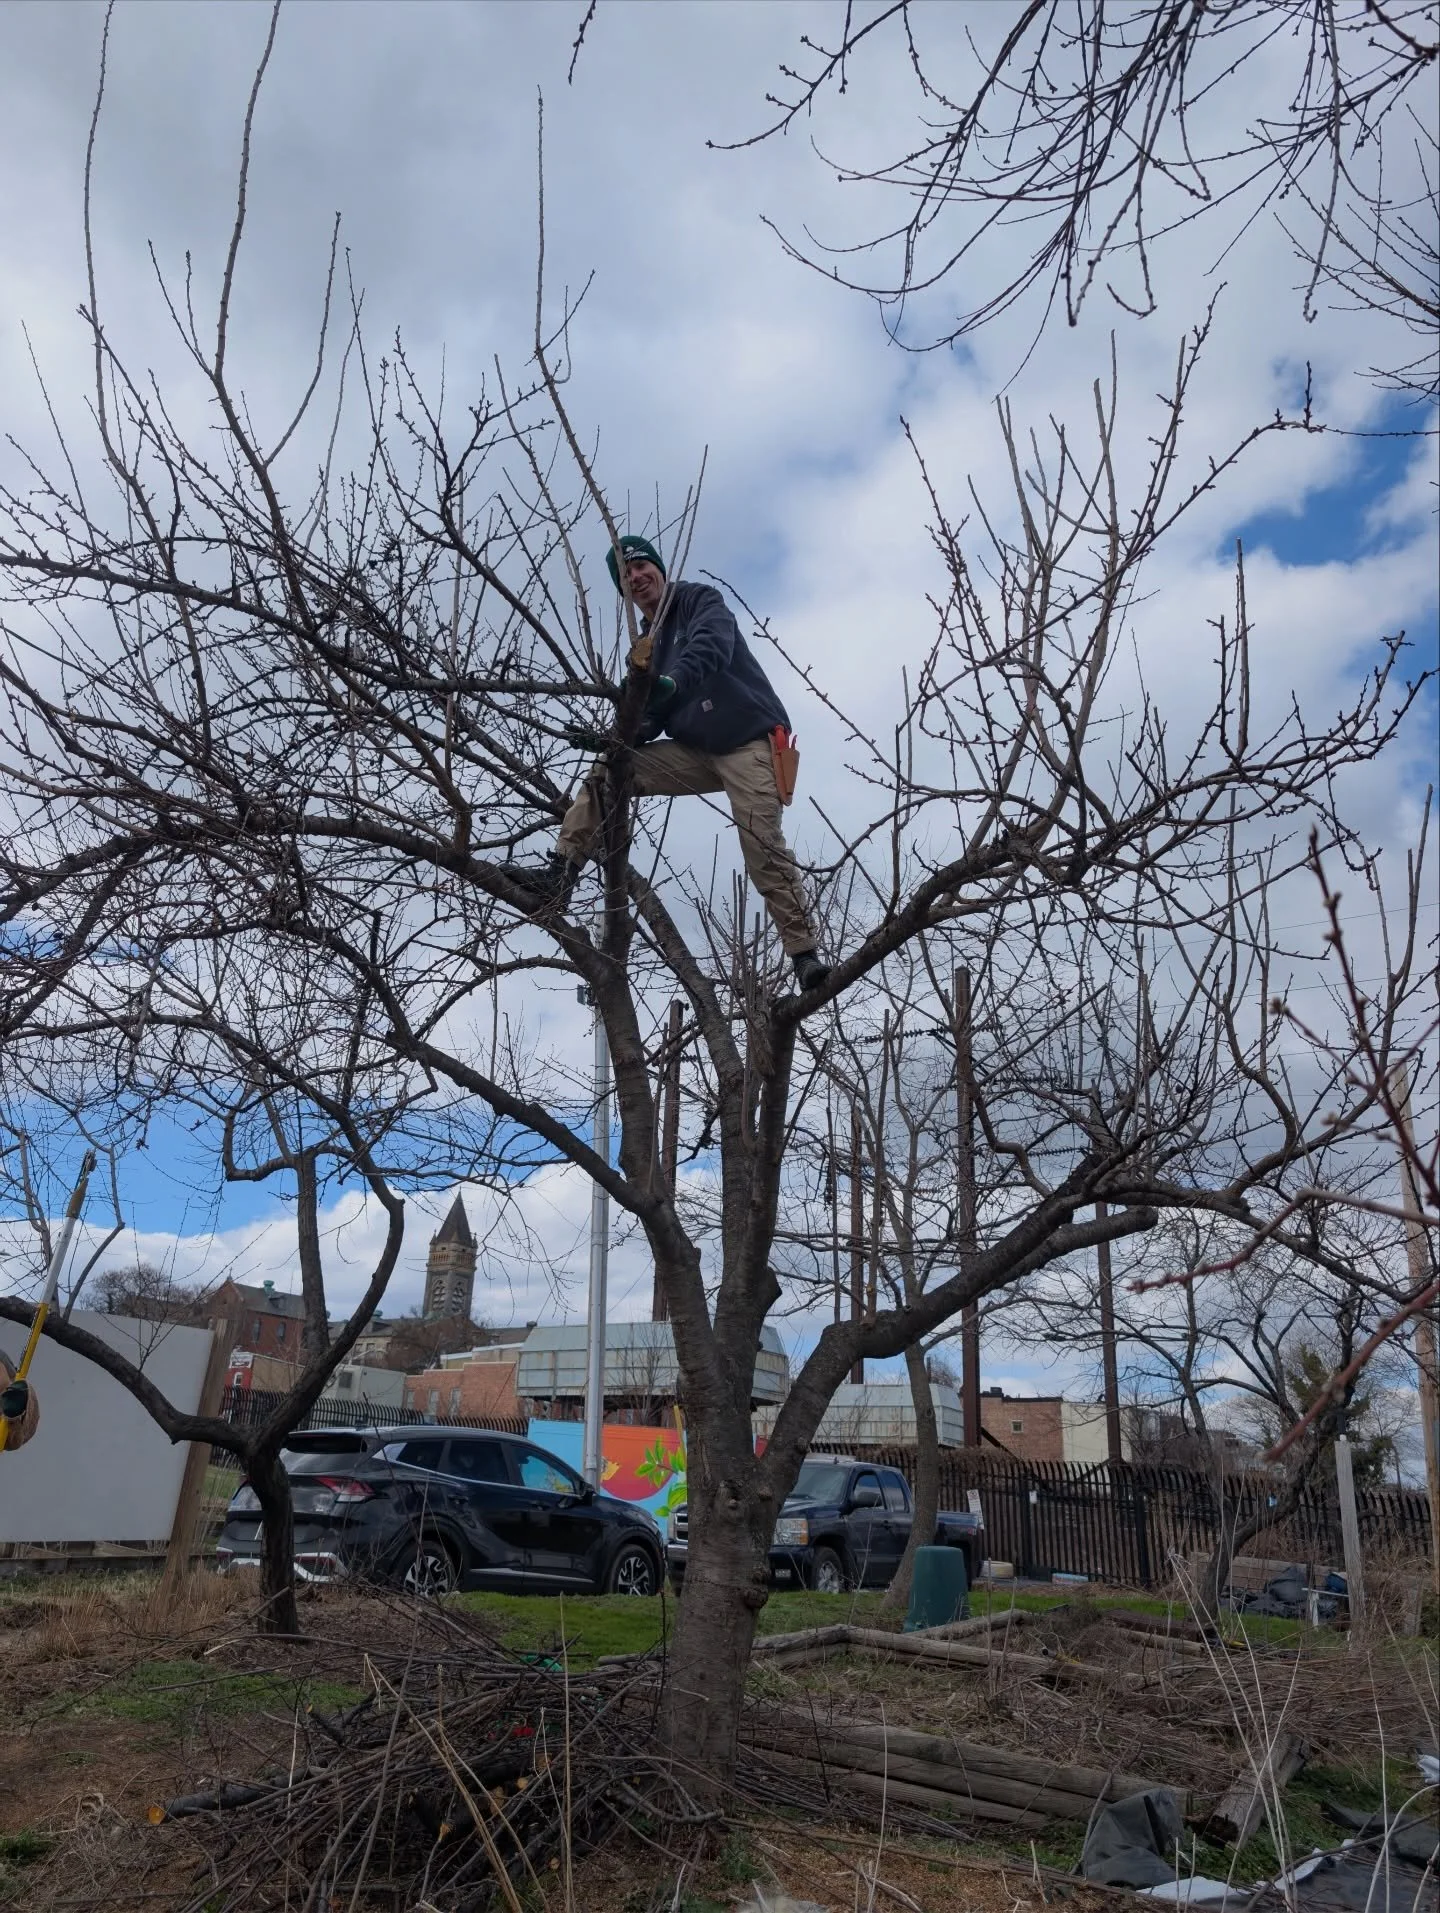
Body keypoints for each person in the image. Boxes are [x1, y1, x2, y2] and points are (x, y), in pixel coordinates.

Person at [510, 534, 830, 991]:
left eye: (641, 567)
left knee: (762, 843)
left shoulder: (699, 600)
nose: (637, 578)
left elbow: (712, 647)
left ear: (658, 567)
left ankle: (804, 956)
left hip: (747, 745)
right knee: (610, 767)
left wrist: (672, 682)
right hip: (695, 752)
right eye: (626, 576)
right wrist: (614, 736)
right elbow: (648, 720)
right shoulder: (644, 647)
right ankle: (560, 876)